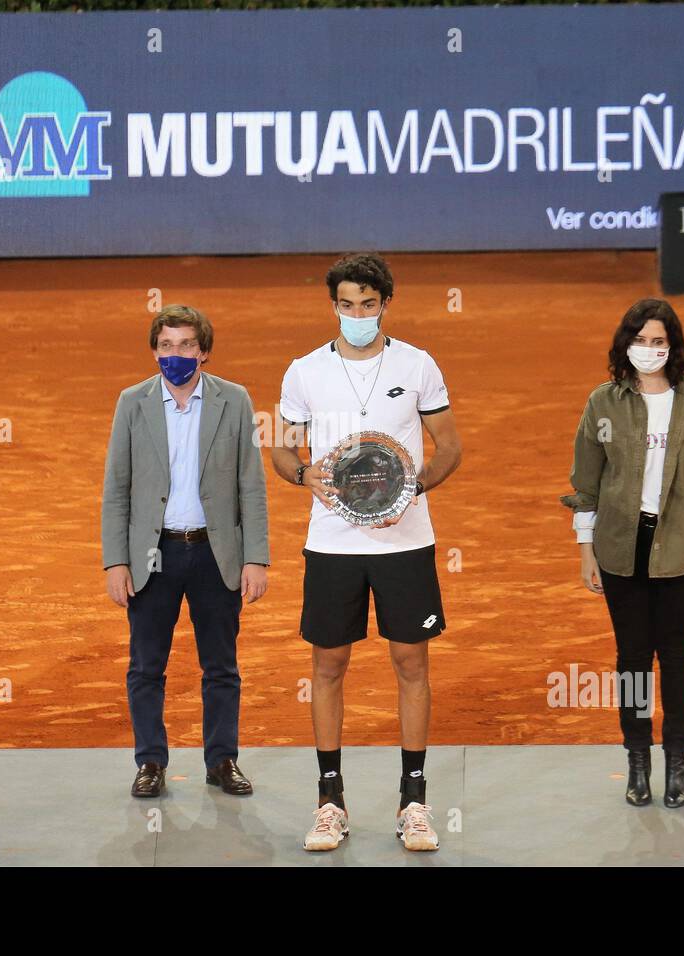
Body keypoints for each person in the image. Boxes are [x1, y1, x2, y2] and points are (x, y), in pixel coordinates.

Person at [270, 253, 462, 851]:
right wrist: (306, 477)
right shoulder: (303, 372)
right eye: (347, 304)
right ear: (334, 306)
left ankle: (414, 802)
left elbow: (449, 445)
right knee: (328, 667)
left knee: (411, 664)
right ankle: (331, 803)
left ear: (385, 304)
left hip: (406, 541)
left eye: (369, 304)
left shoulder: (418, 364)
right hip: (331, 545)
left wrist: (414, 487)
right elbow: (280, 450)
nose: (358, 314)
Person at [560, 298, 684, 808]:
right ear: (626, 345)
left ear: (673, 347)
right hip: (620, 548)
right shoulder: (603, 403)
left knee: (678, 656)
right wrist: (586, 550)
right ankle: (638, 759)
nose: (649, 350)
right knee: (634, 658)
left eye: (659, 342)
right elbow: (586, 481)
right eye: (640, 341)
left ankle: (677, 761)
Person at [101, 305, 269, 798]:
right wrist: (116, 561)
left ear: (205, 352)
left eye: (186, 345)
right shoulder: (132, 402)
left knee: (221, 666)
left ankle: (222, 761)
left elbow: (250, 486)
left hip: (217, 554)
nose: (176, 354)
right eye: (166, 345)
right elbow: (117, 489)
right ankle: (150, 761)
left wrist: (255, 557)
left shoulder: (234, 400)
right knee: (146, 665)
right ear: (155, 351)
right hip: (153, 555)